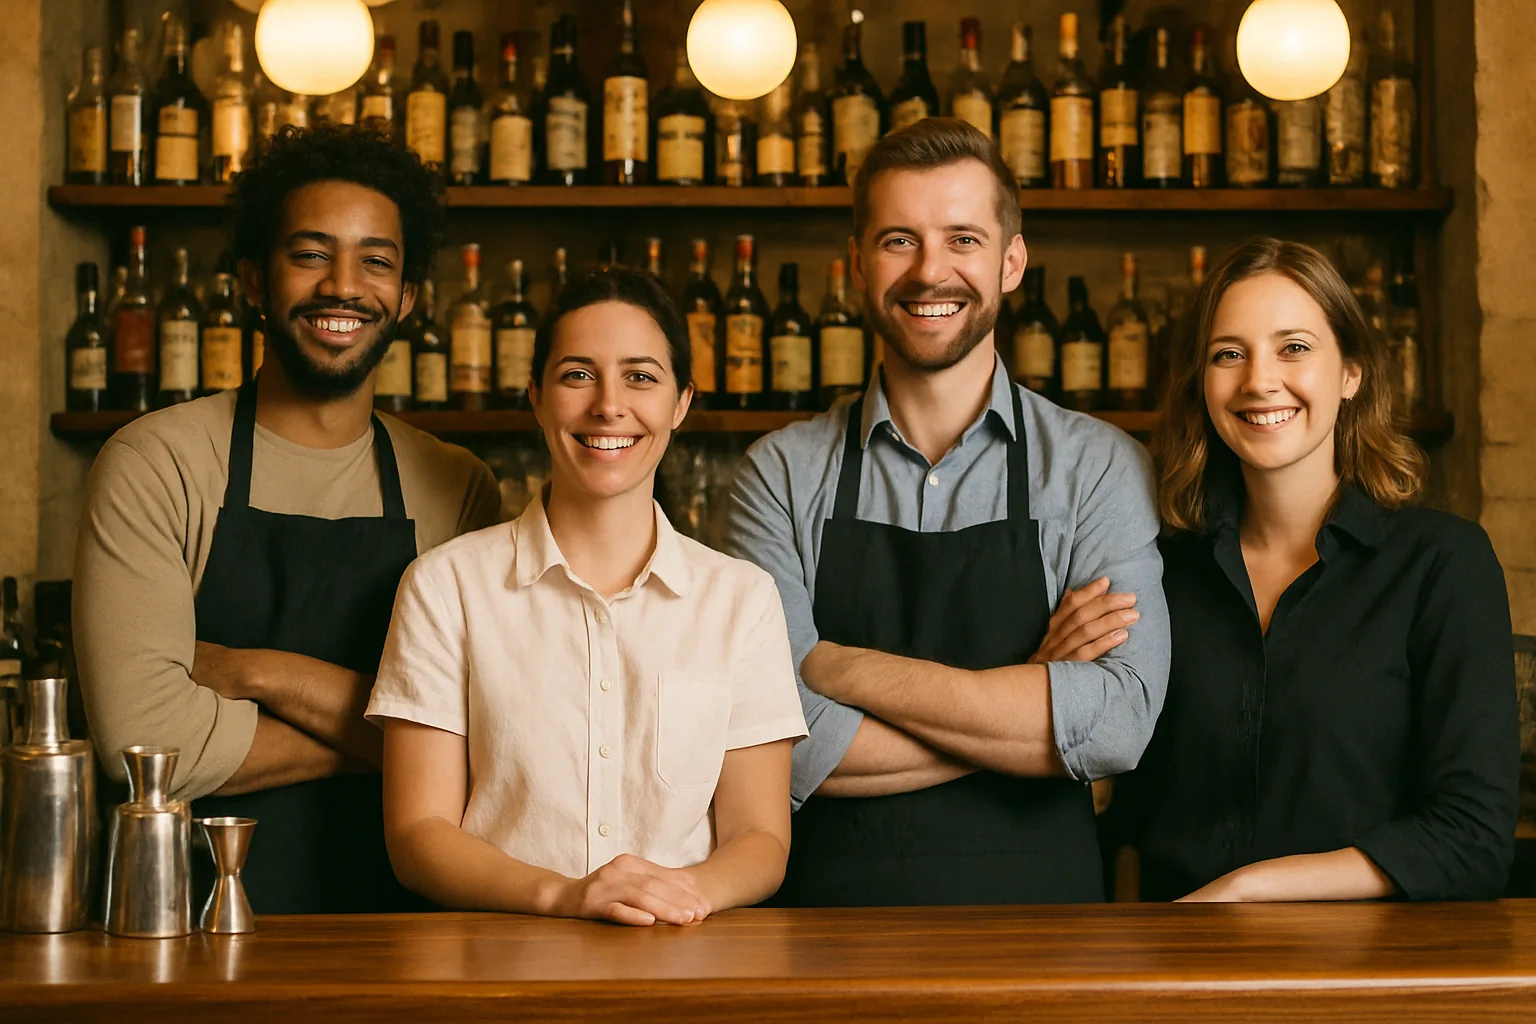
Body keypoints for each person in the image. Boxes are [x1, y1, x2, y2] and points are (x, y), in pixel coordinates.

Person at [725, 118, 1170, 907]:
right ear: (857, 264)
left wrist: (838, 666)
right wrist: (1031, 694)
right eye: (900, 240)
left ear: (1011, 262)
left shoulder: (1099, 466)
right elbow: (776, 745)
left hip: (1045, 937)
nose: (931, 272)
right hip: (821, 936)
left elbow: (1115, 726)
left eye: (962, 239)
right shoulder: (779, 474)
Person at [74, 124, 501, 913]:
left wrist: (255, 672)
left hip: (409, 925)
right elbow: (144, 744)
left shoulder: (458, 487)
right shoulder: (155, 463)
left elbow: (500, 737)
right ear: (250, 280)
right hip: (185, 920)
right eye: (310, 254)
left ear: (406, 298)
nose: (344, 285)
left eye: (376, 260)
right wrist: (406, 743)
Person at [368, 268, 807, 925]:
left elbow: (761, 840)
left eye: (641, 377)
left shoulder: (740, 600)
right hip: (494, 978)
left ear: (681, 402)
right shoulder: (445, 587)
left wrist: (673, 900)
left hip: (686, 970)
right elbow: (418, 836)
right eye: (578, 375)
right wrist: (563, 896)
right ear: (536, 398)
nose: (609, 405)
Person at [1127, 237, 1518, 902]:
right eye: (1229, 354)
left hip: (1370, 981)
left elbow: (1472, 838)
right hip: (1179, 970)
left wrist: (1247, 889)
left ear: (1352, 373)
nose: (1259, 380)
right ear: (1202, 382)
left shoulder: (1442, 563)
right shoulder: (1157, 568)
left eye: (1295, 348)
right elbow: (1128, 811)